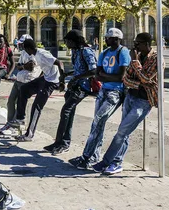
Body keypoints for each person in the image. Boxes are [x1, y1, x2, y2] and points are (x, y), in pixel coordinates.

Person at [92, 33, 159, 175]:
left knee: (122, 131)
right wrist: (138, 83)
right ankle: (117, 163)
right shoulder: (137, 57)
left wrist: (135, 63)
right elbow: (126, 79)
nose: (135, 46)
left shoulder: (156, 59)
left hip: (144, 101)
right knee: (125, 133)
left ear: (147, 44)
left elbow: (147, 79)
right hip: (130, 97)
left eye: (138, 43)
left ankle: (106, 161)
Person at [68, 28, 131, 169]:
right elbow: (97, 74)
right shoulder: (104, 53)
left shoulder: (123, 52)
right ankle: (92, 155)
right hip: (104, 90)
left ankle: (87, 157)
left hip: (116, 92)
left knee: (99, 120)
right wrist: (107, 77)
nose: (105, 39)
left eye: (108, 37)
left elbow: (121, 77)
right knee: (96, 123)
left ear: (116, 39)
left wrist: (105, 76)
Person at [43, 29, 97, 155]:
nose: (66, 44)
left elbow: (93, 71)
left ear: (74, 41)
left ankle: (62, 143)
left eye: (67, 41)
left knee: (65, 111)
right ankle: (62, 142)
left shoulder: (86, 51)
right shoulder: (75, 51)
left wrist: (76, 78)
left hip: (83, 87)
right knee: (69, 113)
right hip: (73, 86)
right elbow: (79, 69)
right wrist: (67, 75)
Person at [8, 38, 65, 141]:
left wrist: (62, 81)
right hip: (45, 78)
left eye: (25, 50)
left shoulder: (42, 54)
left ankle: (29, 135)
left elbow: (59, 63)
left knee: (36, 106)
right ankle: (20, 118)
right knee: (24, 89)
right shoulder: (36, 54)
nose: (25, 52)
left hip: (52, 82)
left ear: (29, 48)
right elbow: (45, 67)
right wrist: (39, 79)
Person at [0, 34, 41, 130]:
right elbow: (19, 66)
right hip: (18, 80)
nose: (21, 46)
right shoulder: (23, 53)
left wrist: (22, 66)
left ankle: (16, 123)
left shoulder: (34, 53)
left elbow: (31, 67)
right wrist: (23, 66)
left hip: (27, 81)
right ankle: (10, 123)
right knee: (10, 102)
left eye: (23, 44)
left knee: (20, 104)